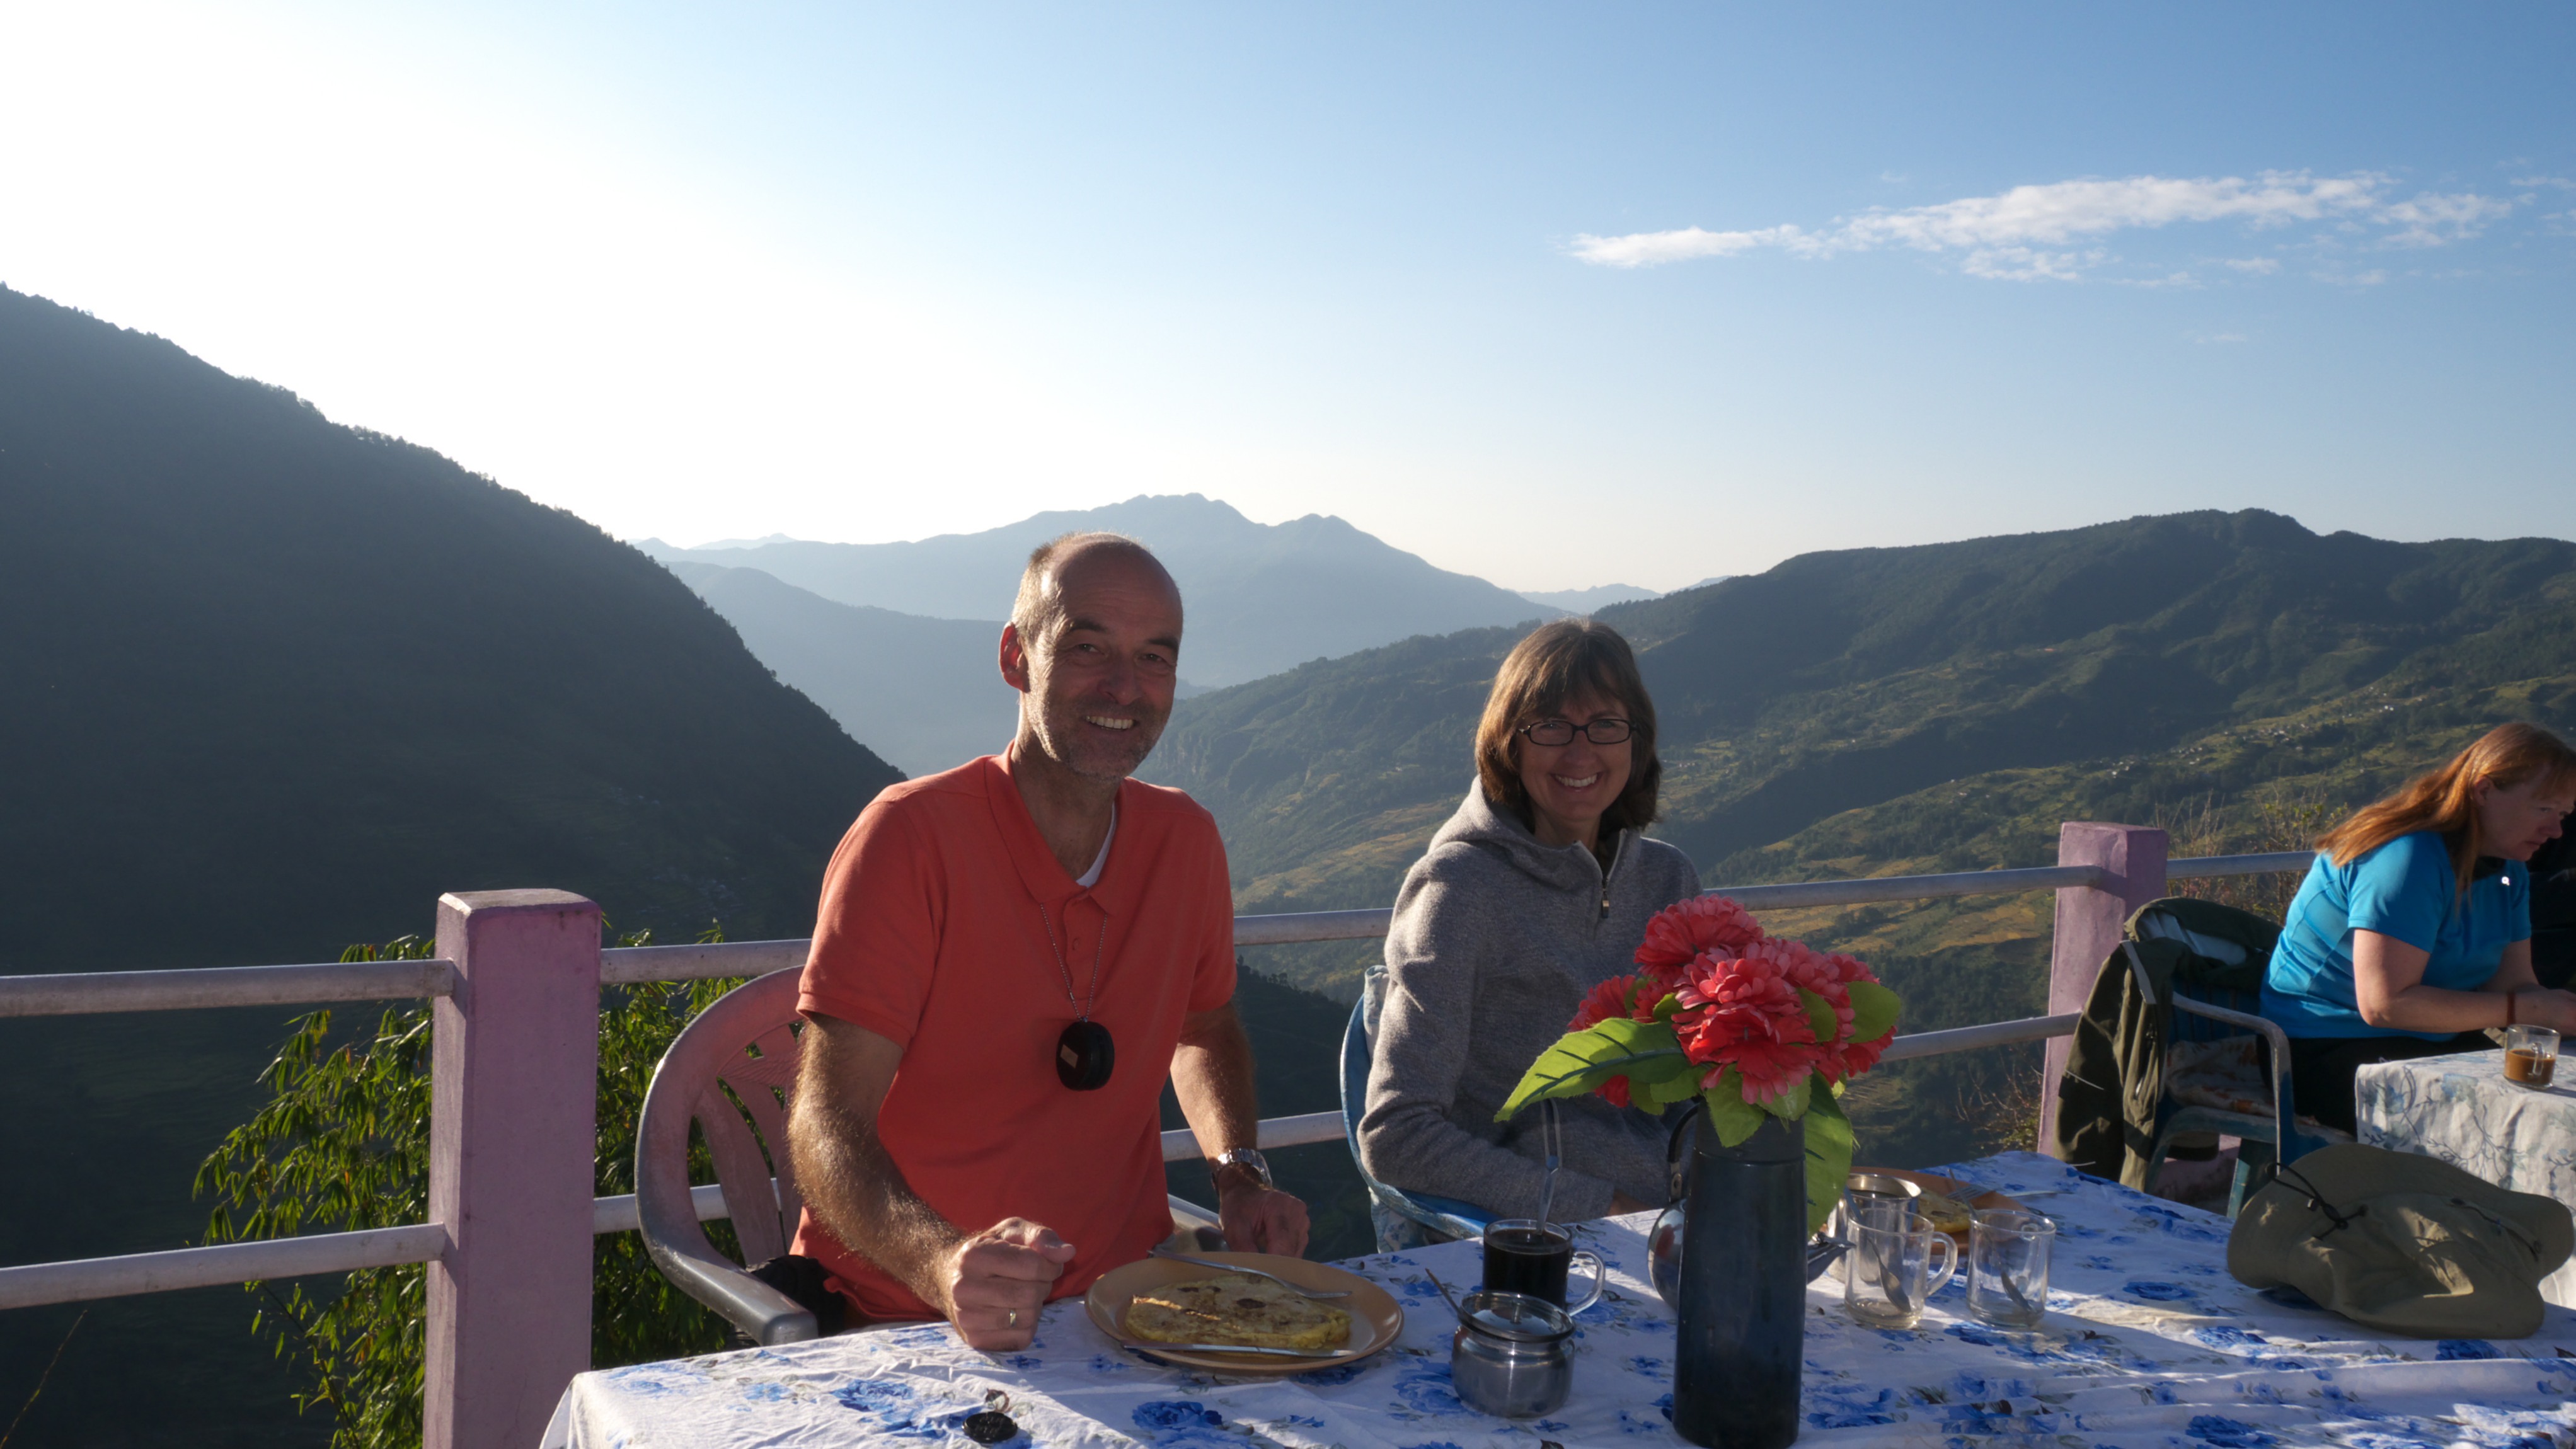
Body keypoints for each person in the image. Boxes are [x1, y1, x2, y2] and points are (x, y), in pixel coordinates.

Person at [783, 532, 1309, 1351]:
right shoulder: (908, 840)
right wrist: (942, 1262)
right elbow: (827, 1120)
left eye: (1155, 658)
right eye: (1089, 647)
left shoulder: (1186, 842)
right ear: (1016, 657)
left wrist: (1240, 1177)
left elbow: (1203, 1029)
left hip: (1128, 1306)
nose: (1125, 688)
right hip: (900, 1316)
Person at [1360, 619, 1703, 1227]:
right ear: (1509, 743)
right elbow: (1397, 1135)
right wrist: (1599, 1209)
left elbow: (1704, 1088)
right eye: (1550, 726)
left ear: (1636, 741)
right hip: (1532, 1247)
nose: (1580, 751)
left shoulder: (1668, 882)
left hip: (1678, 1222)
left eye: (1605, 725)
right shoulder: (1460, 890)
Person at [2260, 722, 2576, 1134]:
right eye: (2544, 810)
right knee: (2511, 1126)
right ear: (2484, 791)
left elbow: (2514, 984)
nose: (2556, 831)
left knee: (2551, 1112)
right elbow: (2385, 1004)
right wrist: (2528, 1010)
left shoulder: (2507, 871)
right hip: (2320, 1050)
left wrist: (2557, 1009)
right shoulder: (2406, 858)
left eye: (2564, 815)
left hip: (2430, 1043)